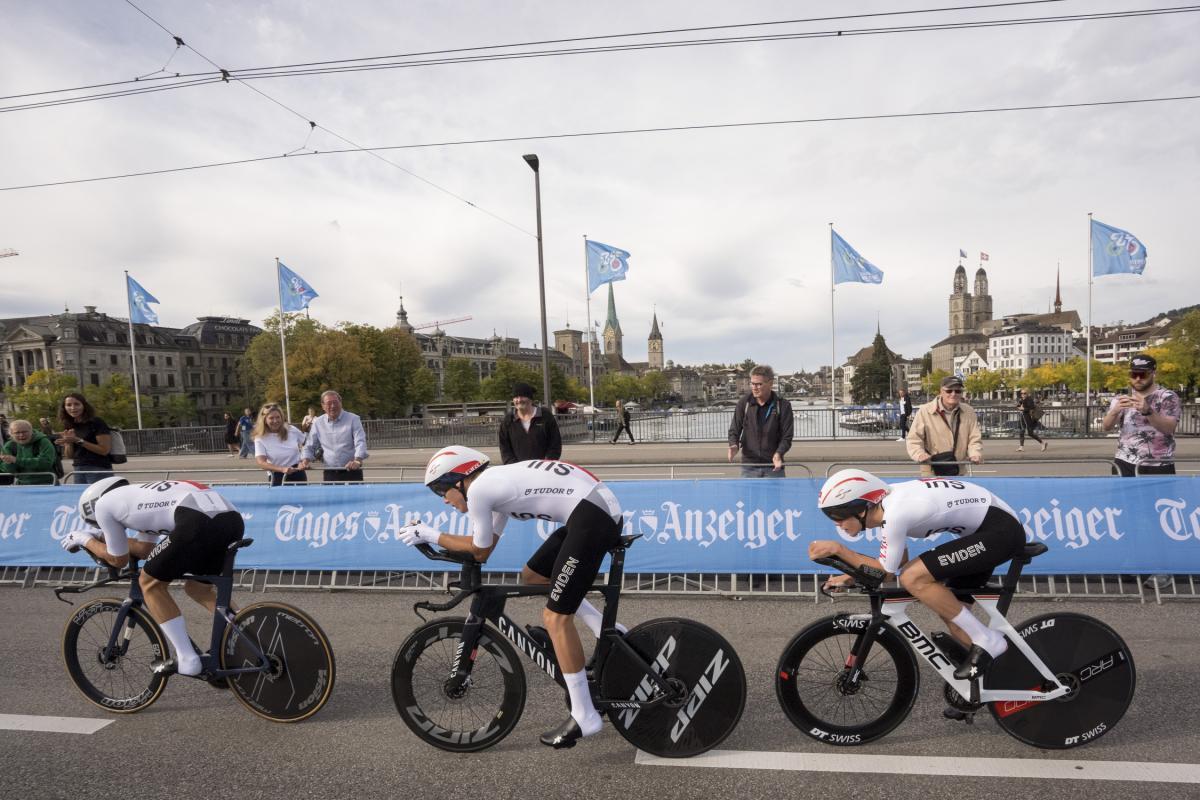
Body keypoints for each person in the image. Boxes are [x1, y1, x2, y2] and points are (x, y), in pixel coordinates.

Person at [398, 445, 626, 749]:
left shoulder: (480, 490)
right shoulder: (492, 487)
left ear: (459, 479)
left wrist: (429, 534)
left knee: (555, 618)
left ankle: (585, 715)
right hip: (593, 510)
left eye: (441, 489)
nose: (443, 500)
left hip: (592, 515)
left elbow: (478, 549)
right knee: (533, 576)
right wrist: (435, 539)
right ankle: (603, 628)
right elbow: (485, 548)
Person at [810, 468, 1027, 680]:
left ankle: (986, 639)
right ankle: (1011, 681)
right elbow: (894, 564)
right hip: (985, 532)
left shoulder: (895, 513)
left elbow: (886, 573)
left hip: (1000, 530)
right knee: (956, 621)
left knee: (912, 577)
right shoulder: (886, 508)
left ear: (861, 507)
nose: (836, 523)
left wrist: (839, 550)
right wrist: (849, 576)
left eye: (838, 515)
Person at [60, 477, 244, 677]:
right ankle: (250, 630)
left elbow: (117, 559)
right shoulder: (139, 496)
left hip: (195, 521)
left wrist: (84, 539)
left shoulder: (103, 505)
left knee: (150, 584)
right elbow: (145, 549)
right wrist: (105, 538)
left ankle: (187, 659)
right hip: (232, 520)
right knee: (198, 589)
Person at [1103, 353, 1180, 477]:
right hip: (1124, 462)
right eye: (1134, 374)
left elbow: (1169, 428)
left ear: (1154, 374)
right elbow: (1106, 427)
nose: (1138, 378)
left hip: (1159, 463)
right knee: (1123, 497)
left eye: (1143, 374)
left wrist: (1148, 411)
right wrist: (1114, 411)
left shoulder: (1168, 397)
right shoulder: (1121, 399)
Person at [906, 375, 983, 477]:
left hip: (958, 470)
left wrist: (975, 454)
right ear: (941, 391)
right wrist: (919, 454)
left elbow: (974, 438)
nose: (953, 394)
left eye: (958, 391)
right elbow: (914, 439)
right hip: (932, 469)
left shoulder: (969, 411)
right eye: (949, 391)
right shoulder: (925, 411)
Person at [727, 364, 794, 477]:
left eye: (759, 384)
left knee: (774, 496)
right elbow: (734, 429)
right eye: (752, 384)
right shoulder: (744, 403)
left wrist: (779, 453)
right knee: (748, 496)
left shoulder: (782, 405)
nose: (754, 387)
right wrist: (734, 444)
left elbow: (787, 437)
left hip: (773, 467)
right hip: (749, 467)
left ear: (770, 384)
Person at [299, 390, 368, 482]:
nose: (332, 406)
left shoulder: (353, 419)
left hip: (352, 470)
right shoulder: (318, 423)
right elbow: (310, 445)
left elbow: (360, 442)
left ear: (341, 403)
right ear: (323, 406)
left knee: (355, 497)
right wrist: (305, 461)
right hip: (330, 472)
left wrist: (357, 460)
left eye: (335, 402)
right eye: (328, 403)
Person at [497, 382, 562, 464]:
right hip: (517, 471)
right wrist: (514, 467)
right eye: (516, 397)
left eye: (522, 396)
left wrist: (546, 463)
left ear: (530, 399)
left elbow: (555, 443)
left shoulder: (545, 415)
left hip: (543, 470)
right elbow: (504, 448)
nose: (519, 400)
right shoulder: (508, 420)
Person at [55, 392, 113, 484]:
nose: (73, 408)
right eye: (68, 405)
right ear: (64, 408)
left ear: (84, 406)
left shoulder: (96, 422)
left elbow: (104, 450)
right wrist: (68, 442)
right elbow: (69, 456)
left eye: (77, 404)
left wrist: (78, 440)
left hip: (98, 469)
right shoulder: (69, 425)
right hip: (78, 469)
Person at [253, 403, 307, 486]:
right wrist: (282, 469)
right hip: (277, 475)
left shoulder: (291, 429)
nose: (275, 421)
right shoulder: (260, 438)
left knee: (301, 499)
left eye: (278, 417)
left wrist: (303, 460)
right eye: (271, 418)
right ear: (264, 420)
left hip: (298, 473)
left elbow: (307, 445)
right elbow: (261, 462)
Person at [0, 419, 58, 485]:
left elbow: (46, 463)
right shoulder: (9, 445)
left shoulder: (43, 441)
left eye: (24, 432)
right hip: (22, 484)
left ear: (31, 431)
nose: (21, 435)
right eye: (17, 433)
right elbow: (7, 469)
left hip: (48, 483)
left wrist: (16, 460)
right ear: (11, 434)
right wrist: (8, 464)